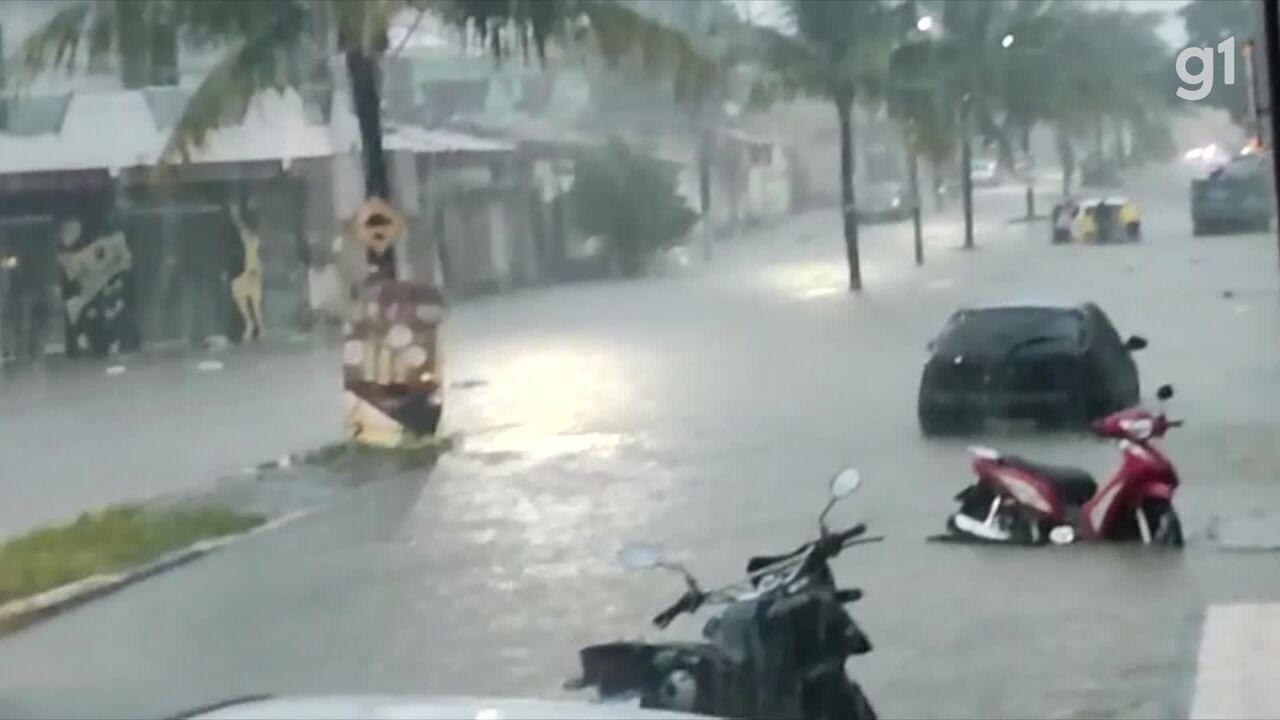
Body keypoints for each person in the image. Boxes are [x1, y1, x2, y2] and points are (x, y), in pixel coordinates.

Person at [228, 203, 264, 342]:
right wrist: (235, 215)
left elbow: (258, 258)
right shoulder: (249, 239)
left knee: (255, 303)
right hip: (248, 273)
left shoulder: (255, 241)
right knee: (237, 289)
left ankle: (258, 327)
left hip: (254, 271)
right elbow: (242, 228)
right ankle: (250, 323)